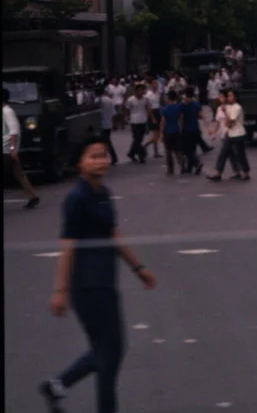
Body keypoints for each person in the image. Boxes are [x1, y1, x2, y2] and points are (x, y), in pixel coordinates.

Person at [39, 135, 157, 413]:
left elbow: (114, 235)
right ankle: (65, 387)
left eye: (104, 155)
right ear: (80, 163)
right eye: (93, 156)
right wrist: (60, 291)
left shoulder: (102, 193)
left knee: (109, 352)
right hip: (87, 286)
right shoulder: (76, 199)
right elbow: (67, 247)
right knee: (109, 352)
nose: (101, 161)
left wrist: (138, 268)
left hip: (106, 282)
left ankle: (58, 385)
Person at [3, 88, 40, 208]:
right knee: (19, 174)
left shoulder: (7, 112)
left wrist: (13, 149)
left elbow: (14, 131)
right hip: (8, 150)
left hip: (6, 150)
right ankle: (33, 196)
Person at [205, 90, 250, 182]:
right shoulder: (227, 107)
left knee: (240, 155)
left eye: (231, 96)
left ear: (235, 98)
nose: (229, 97)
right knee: (223, 154)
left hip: (238, 134)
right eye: (228, 96)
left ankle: (246, 172)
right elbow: (224, 122)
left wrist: (225, 112)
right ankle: (218, 173)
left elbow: (230, 123)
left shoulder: (237, 107)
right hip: (229, 134)